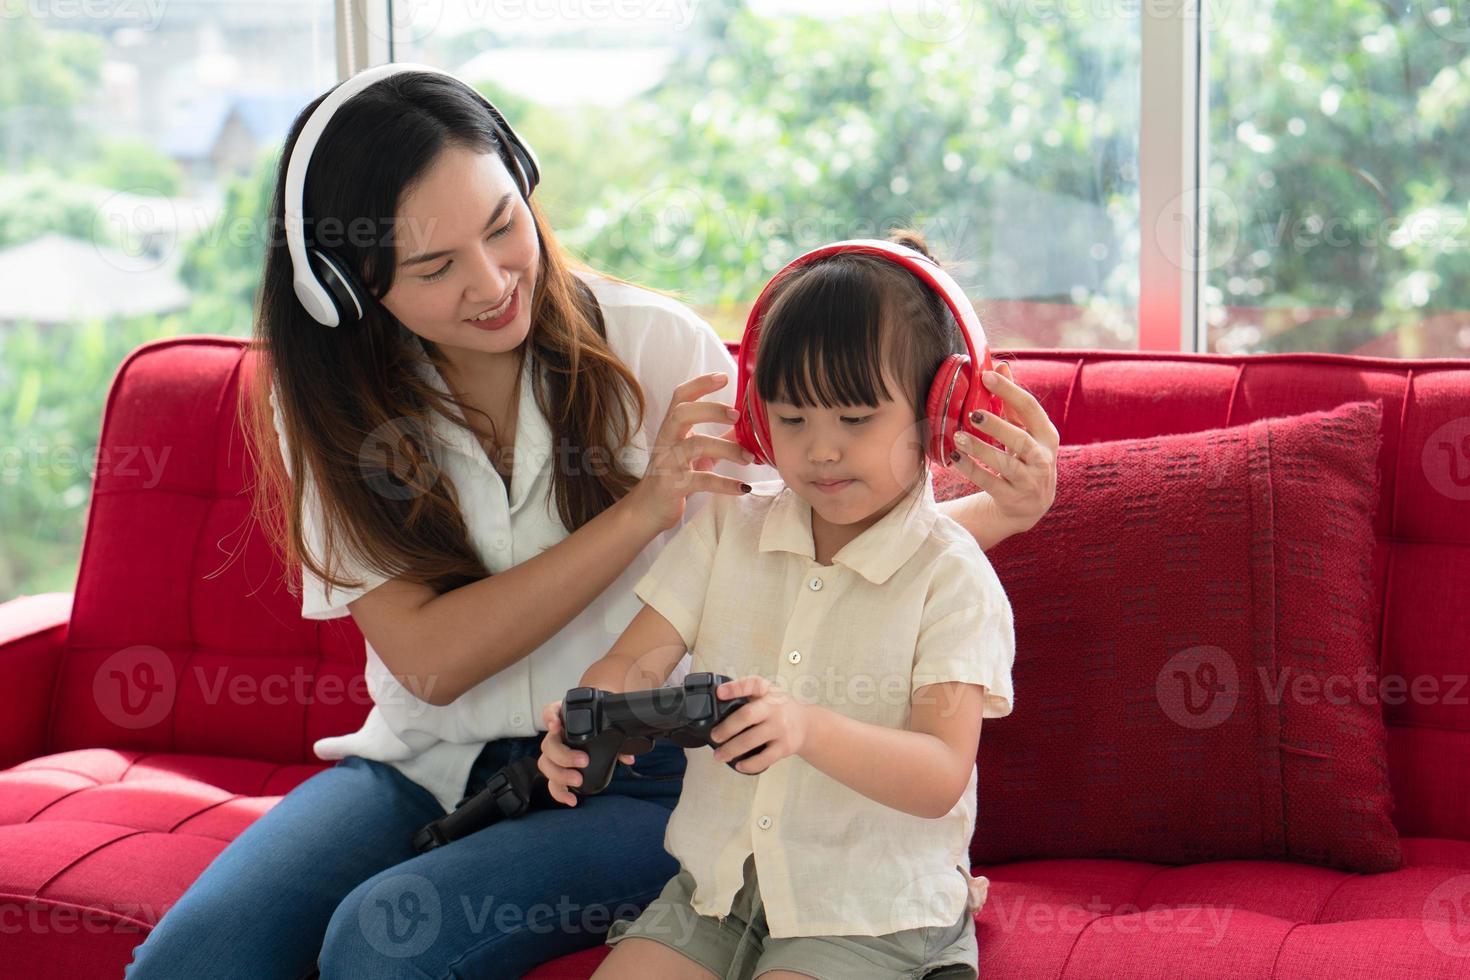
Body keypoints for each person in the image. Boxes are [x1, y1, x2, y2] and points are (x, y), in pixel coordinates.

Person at [127, 64, 1056, 980]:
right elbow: (433, 664)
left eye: (504, 226)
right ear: (343, 283)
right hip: (428, 758)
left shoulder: (657, 348)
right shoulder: (328, 411)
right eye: (436, 266)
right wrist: (643, 510)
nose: (492, 282)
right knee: (196, 959)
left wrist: (1001, 515)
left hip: (646, 770)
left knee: (381, 941)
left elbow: (811, 543)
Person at [538, 234, 1016, 980]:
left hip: (871, 909)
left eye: (854, 420)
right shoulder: (731, 529)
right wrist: (589, 718)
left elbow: (938, 775)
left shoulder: (952, 580)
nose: (820, 451)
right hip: (716, 891)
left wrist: (807, 727)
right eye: (792, 420)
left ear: (939, 415)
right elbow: (635, 660)